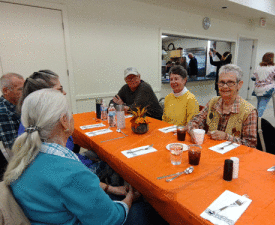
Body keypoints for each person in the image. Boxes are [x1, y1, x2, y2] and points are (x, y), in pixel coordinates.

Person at [4, 89, 165, 224]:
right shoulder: (70, 172)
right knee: (152, 211)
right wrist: (130, 197)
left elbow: (74, 187)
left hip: (47, 216)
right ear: (64, 121)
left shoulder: (24, 156)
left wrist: (112, 188)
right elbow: (112, 219)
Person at [17, 70, 117, 184]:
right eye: (59, 89)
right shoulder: (51, 129)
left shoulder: (30, 121)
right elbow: (69, 171)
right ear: (45, 95)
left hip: (71, 164)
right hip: (72, 173)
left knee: (99, 154)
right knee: (112, 162)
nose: (64, 93)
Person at [187, 64, 257, 148]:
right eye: (222, 82)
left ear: (239, 84)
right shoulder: (213, 102)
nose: (225, 86)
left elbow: (251, 145)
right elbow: (195, 121)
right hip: (210, 151)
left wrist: (226, 137)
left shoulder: (249, 111)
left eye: (230, 82)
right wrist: (193, 131)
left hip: (233, 157)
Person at [251, 52, 275, 117]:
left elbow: (253, 78)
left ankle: (255, 119)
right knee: (262, 106)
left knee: (259, 105)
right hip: (267, 89)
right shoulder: (274, 68)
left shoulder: (258, 67)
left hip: (257, 89)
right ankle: (256, 121)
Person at [0, 73, 24, 149]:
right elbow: (13, 146)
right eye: (20, 89)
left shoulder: (18, 105)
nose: (24, 93)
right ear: (5, 90)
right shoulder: (2, 112)